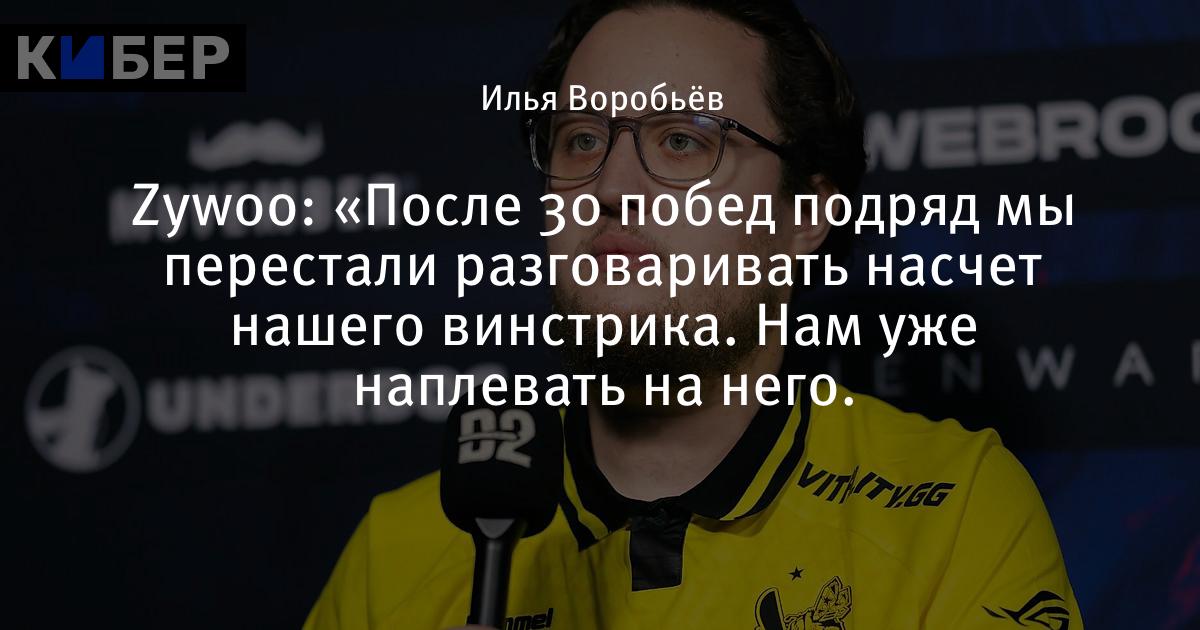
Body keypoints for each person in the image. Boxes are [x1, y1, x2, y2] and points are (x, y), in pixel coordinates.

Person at [305, 1, 1082, 628]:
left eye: (682, 140)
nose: (611, 186)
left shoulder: (952, 508)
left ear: (805, 216)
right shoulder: (397, 552)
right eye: (581, 139)